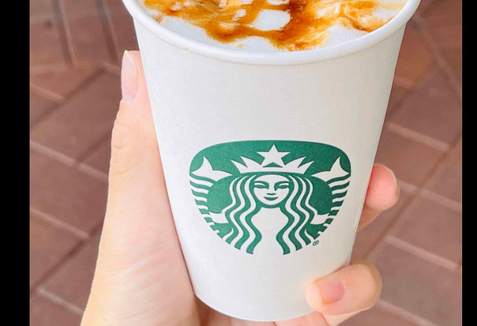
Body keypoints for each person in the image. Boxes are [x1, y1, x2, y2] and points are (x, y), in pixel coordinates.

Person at [81, 51, 401, 326]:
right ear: (245, 187)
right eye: (262, 183)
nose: (272, 190)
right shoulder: (239, 220)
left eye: (281, 184)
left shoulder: (299, 223)